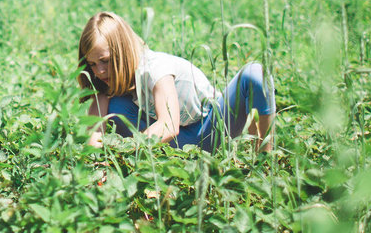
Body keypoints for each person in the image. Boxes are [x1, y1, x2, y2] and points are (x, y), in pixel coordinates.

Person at [78, 11, 273, 152]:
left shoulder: (155, 69)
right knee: (115, 107)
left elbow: (169, 126)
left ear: (123, 51)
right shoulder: (105, 81)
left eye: (105, 61)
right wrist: (96, 164)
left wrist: (127, 150)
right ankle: (159, 164)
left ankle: (264, 153)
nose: (99, 71)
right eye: (92, 64)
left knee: (254, 73)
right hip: (175, 143)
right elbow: (95, 133)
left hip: (211, 129)